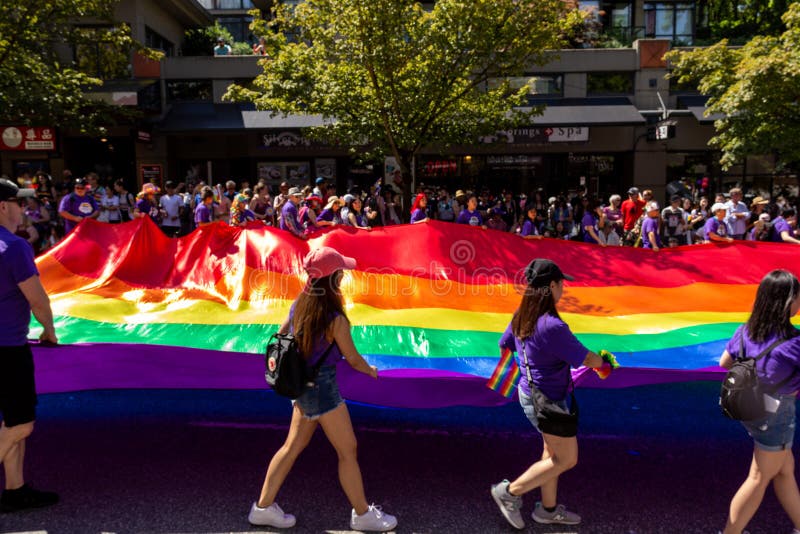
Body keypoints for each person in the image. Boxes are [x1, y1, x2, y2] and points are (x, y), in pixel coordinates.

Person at [248, 247, 397, 531]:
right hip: (322, 390)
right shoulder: (334, 318)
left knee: (292, 447)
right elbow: (352, 358)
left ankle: (263, 508)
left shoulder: (300, 303)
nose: (343, 277)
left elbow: (281, 334)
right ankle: (363, 515)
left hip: (302, 387)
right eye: (340, 273)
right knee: (347, 450)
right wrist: (371, 370)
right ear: (333, 279)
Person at [491, 259, 607, 530]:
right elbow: (586, 359)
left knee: (551, 452)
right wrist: (606, 363)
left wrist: (528, 365)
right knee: (566, 459)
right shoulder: (551, 326)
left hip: (530, 393)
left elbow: (504, 344)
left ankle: (548, 509)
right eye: (561, 283)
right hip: (546, 401)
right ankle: (509, 492)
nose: (563, 288)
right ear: (552, 285)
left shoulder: (523, 314)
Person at [718, 270, 800, 534]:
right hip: (776, 416)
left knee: (784, 471)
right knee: (758, 477)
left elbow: (724, 363)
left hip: (750, 409)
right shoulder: (794, 342)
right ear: (787, 302)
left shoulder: (745, 331)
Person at [0, 178, 59, 513]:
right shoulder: (13, 246)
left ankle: (15, 490)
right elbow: (37, 299)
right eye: (19, 203)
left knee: (11, 423)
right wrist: (49, 330)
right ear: (3, 206)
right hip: (7, 348)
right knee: (22, 423)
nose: (25, 210)